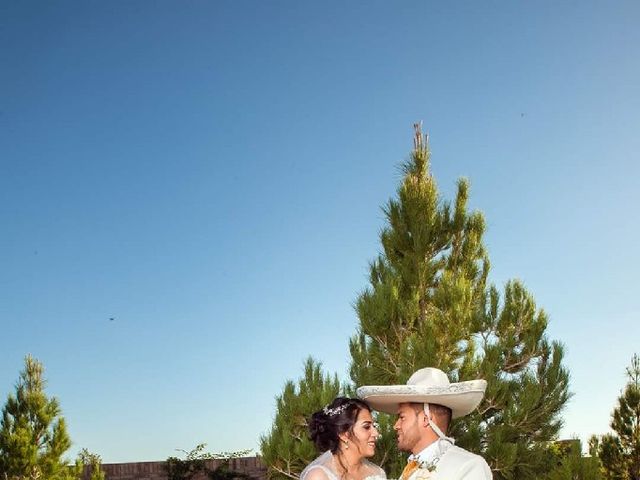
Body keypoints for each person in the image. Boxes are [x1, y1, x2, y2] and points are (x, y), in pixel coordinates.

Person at [357, 367, 492, 480]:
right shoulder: (411, 469)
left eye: (402, 417)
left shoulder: (469, 466)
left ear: (426, 419)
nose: (396, 425)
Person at [300, 397, 385, 480]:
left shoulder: (377, 474)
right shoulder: (319, 476)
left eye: (374, 426)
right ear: (343, 434)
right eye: (366, 427)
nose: (376, 433)